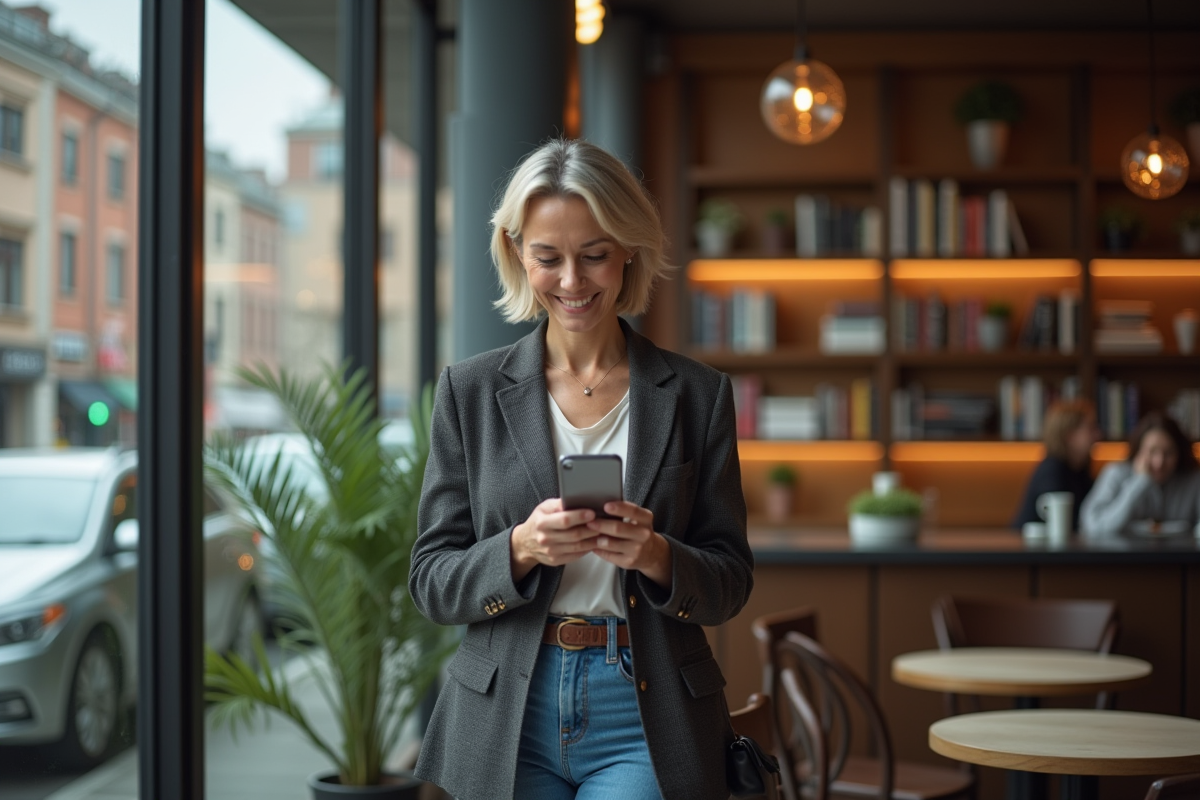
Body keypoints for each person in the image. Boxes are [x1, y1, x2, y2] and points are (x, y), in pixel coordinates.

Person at [408, 139, 753, 800]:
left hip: (644, 711)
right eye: (548, 258)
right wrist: (518, 548)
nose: (572, 281)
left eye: (594, 255)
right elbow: (431, 582)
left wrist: (655, 555)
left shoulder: (697, 396)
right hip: (509, 708)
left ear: (629, 250)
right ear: (516, 253)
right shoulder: (470, 392)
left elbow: (731, 582)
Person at [1079, 410, 1200, 538]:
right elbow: (1093, 526)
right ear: (1139, 451)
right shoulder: (1116, 474)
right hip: (1125, 556)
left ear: (1179, 454)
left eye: (1168, 453)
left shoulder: (1194, 479)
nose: (1159, 462)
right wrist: (1139, 482)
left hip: (1182, 556)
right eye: (1152, 451)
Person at [1012, 399, 1100, 529]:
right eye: (1090, 428)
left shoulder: (1080, 470)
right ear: (1069, 435)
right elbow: (1070, 523)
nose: (1098, 434)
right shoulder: (1052, 471)